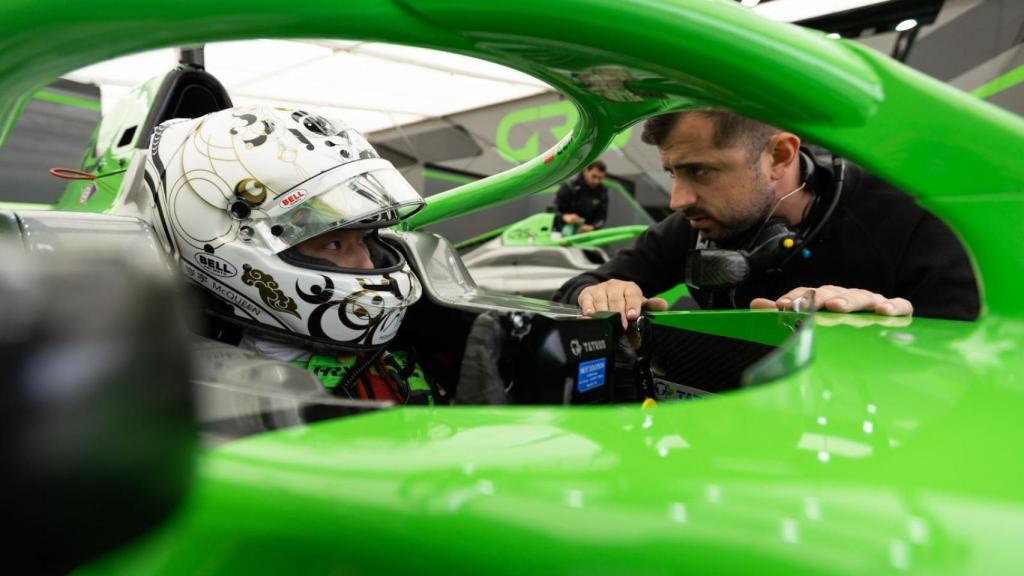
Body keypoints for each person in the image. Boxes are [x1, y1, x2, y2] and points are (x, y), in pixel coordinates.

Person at [554, 110, 980, 325]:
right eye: (672, 172)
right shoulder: (696, 223)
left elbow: (974, 364)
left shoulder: (911, 221)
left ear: (779, 155)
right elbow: (574, 288)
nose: (678, 200)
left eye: (700, 171)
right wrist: (600, 294)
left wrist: (889, 330)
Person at [144, 105, 437, 404]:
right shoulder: (191, 394)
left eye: (363, 240)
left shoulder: (402, 360)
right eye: (334, 245)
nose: (367, 262)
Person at [554, 160, 609, 235]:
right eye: (594, 176)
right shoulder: (569, 187)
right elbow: (553, 212)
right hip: (563, 234)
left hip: (588, 236)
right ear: (585, 171)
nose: (596, 181)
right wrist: (564, 217)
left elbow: (602, 218)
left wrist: (593, 227)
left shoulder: (602, 191)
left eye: (600, 178)